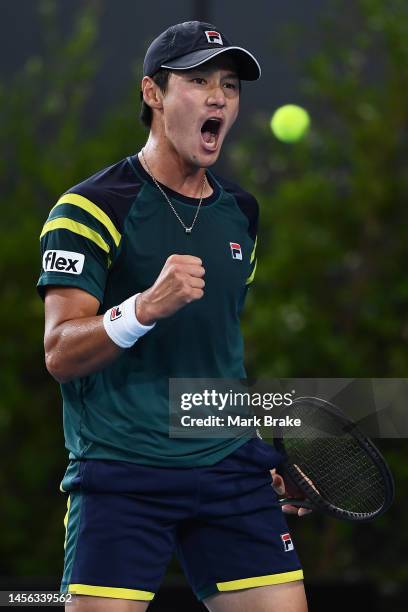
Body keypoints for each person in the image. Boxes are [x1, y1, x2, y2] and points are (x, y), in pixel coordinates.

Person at [37, 21, 309, 612]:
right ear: (153, 94)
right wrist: (142, 309)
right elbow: (59, 352)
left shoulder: (240, 212)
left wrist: (259, 445)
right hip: (120, 472)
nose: (218, 97)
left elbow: (214, 350)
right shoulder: (90, 208)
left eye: (230, 85)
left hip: (228, 467)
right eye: (198, 80)